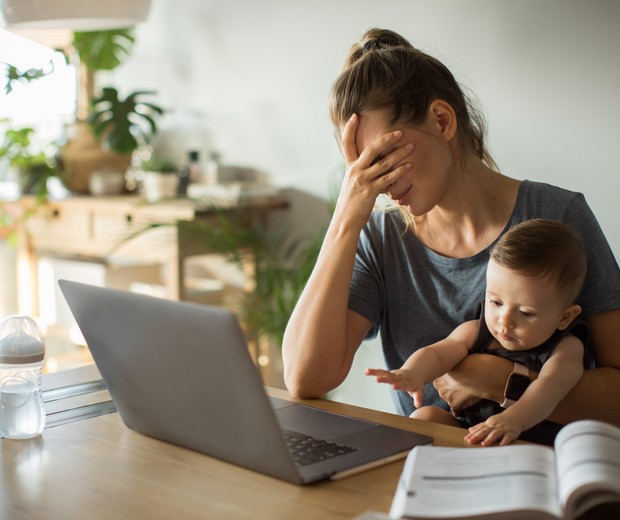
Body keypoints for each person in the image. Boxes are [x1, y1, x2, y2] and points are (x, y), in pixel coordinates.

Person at [281, 28, 620, 437]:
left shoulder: (558, 217)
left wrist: (496, 379)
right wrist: (345, 219)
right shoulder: (381, 238)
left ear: (442, 121)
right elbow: (305, 378)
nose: (378, 184)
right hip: (431, 474)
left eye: (384, 158)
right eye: (360, 168)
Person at [366, 219, 590, 446]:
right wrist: (412, 373)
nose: (505, 321)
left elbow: (551, 388)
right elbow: (437, 354)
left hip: (527, 443)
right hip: (472, 435)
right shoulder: (477, 331)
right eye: (495, 301)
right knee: (424, 417)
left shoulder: (566, 347)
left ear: (565, 317)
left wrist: (513, 420)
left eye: (526, 313)